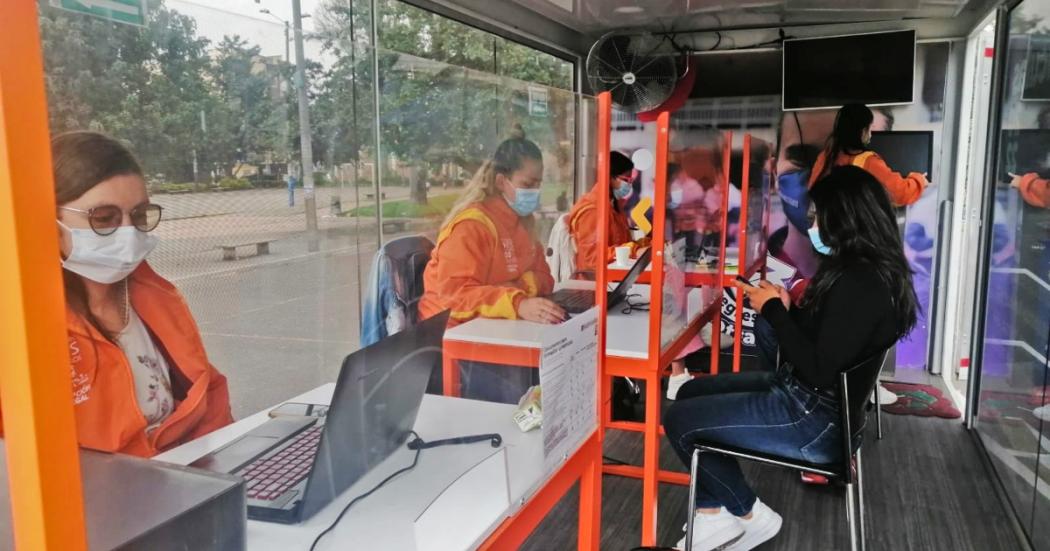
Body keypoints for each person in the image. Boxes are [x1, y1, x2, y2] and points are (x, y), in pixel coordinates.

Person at [663, 165, 918, 551]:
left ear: (846, 219)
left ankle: (750, 515)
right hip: (811, 398)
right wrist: (784, 308)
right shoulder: (863, 272)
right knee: (687, 397)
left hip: (815, 418)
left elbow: (817, 369)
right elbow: (827, 344)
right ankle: (712, 515)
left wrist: (774, 313)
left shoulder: (861, 284)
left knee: (679, 419)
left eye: (818, 217)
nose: (812, 225)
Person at [10, 131, 233, 458]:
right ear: (47, 221)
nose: (128, 232)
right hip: (96, 504)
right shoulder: (20, 328)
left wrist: (226, 472)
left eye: (139, 215)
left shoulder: (157, 298)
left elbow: (208, 393)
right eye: (104, 219)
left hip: (185, 485)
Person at [418, 129, 562, 403]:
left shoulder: (523, 223)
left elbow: (545, 278)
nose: (534, 192)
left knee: (557, 361)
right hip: (450, 339)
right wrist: (518, 301)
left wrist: (513, 292)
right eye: (528, 184)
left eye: (538, 184)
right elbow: (455, 296)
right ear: (501, 181)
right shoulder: (472, 226)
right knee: (518, 388)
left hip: (495, 327)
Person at [809, 103, 928, 204]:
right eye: (869, 129)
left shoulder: (826, 155)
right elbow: (900, 193)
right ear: (862, 131)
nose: (871, 135)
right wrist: (919, 179)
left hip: (828, 226)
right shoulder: (868, 162)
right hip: (854, 228)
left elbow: (812, 189)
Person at [567, 150, 636, 276]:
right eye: (626, 179)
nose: (629, 185)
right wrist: (632, 251)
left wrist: (641, 246)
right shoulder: (592, 211)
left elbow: (624, 242)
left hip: (615, 277)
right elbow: (593, 259)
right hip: (593, 283)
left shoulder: (614, 205)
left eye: (631, 180)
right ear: (610, 177)